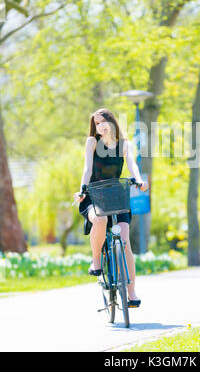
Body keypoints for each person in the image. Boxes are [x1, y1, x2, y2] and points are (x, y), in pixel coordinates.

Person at [73, 108, 148, 307]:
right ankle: (96, 262)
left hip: (116, 195)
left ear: (112, 121)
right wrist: (82, 190)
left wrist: (139, 181)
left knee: (124, 239)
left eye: (102, 121)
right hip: (94, 195)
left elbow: (132, 164)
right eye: (96, 124)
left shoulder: (125, 144)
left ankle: (131, 292)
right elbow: (87, 169)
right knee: (100, 219)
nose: (100, 126)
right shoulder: (92, 143)